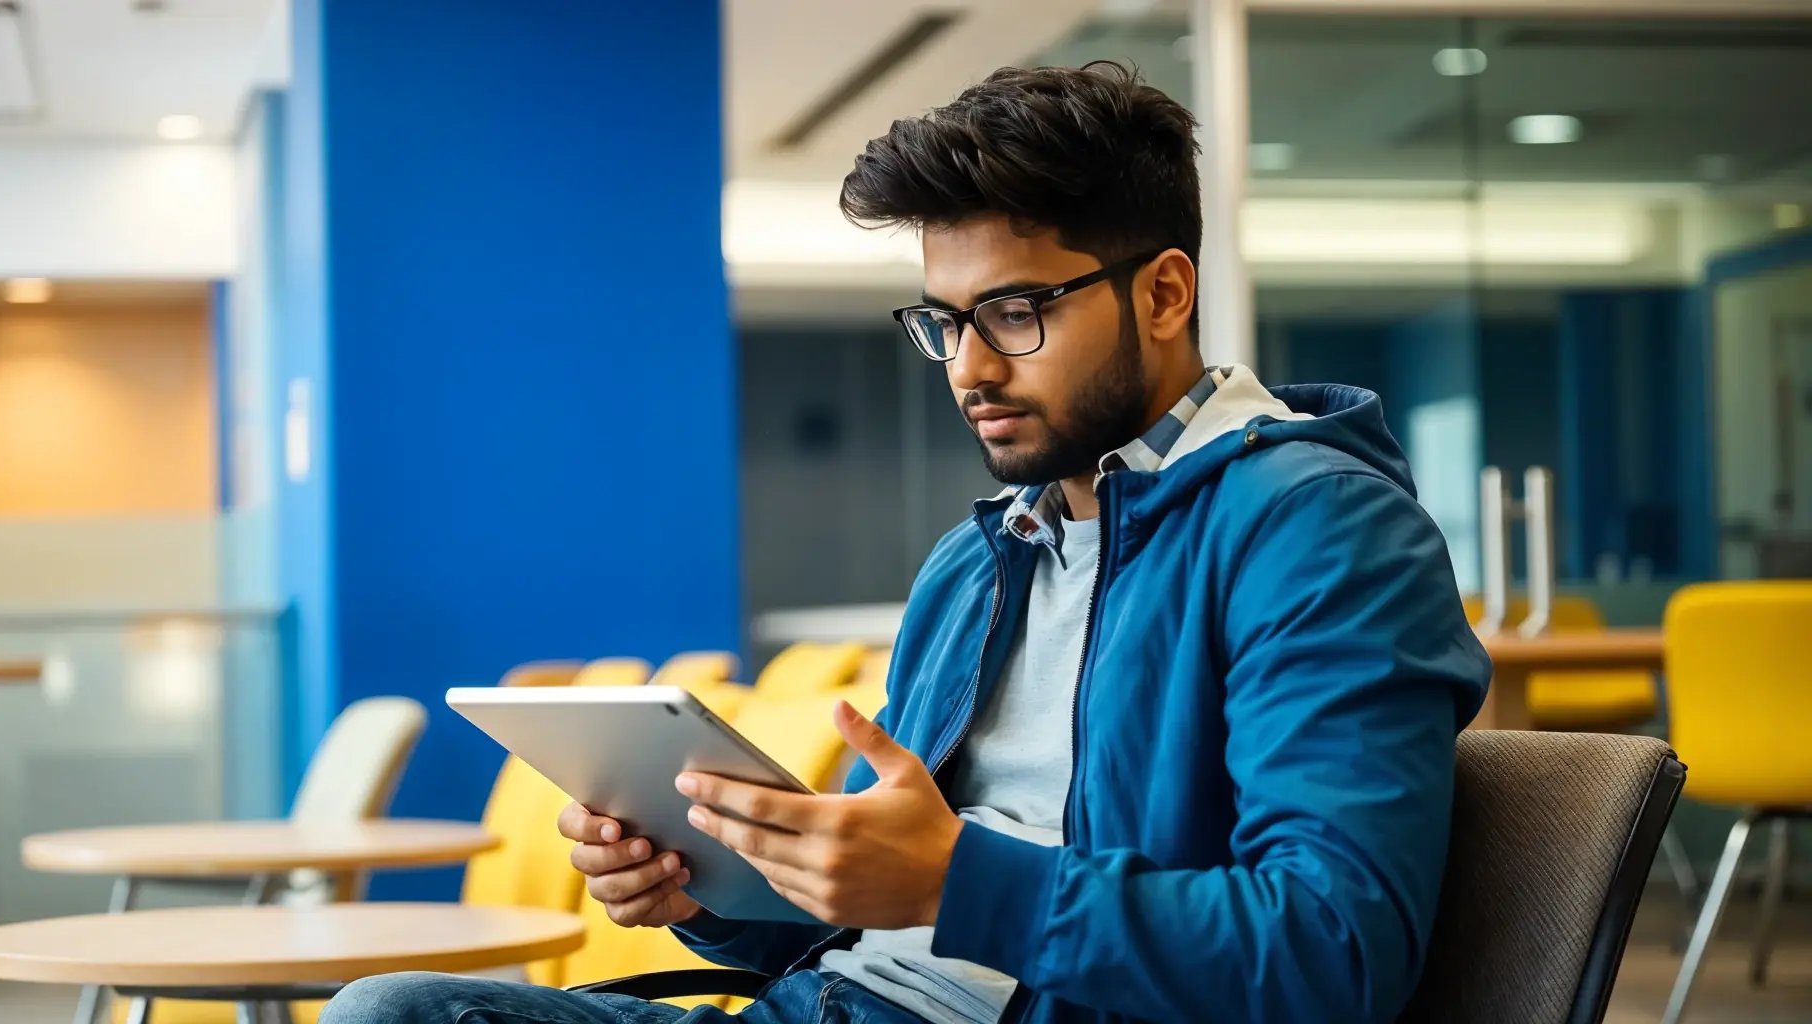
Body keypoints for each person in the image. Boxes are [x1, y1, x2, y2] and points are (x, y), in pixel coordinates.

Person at [323, 62, 1490, 1024]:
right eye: (945, 322)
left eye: (1014, 313)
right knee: (397, 1013)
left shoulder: (1317, 531)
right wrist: (706, 887)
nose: (970, 367)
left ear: (1165, 294)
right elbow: (851, 900)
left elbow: (1331, 957)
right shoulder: (978, 563)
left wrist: (958, 880)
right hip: (834, 1004)